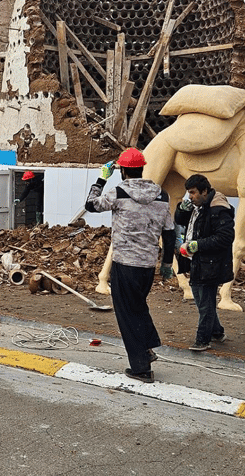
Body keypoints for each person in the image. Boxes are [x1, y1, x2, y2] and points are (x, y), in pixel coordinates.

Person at [85, 148, 175, 384]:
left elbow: (91, 205)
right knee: (138, 307)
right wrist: (166, 263)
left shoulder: (120, 192)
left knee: (127, 314)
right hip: (148, 265)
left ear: (123, 171)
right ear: (142, 168)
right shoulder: (162, 195)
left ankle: (141, 367)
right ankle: (147, 348)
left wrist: (101, 179)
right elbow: (169, 232)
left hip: (125, 263)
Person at [174, 174, 234, 352]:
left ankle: (203, 339)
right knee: (202, 301)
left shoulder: (218, 209)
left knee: (205, 303)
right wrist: (181, 210)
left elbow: (225, 237)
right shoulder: (198, 207)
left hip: (211, 264)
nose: (190, 196)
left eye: (193, 193)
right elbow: (180, 221)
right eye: (189, 193)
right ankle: (217, 332)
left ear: (204, 191)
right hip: (198, 261)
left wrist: (197, 245)